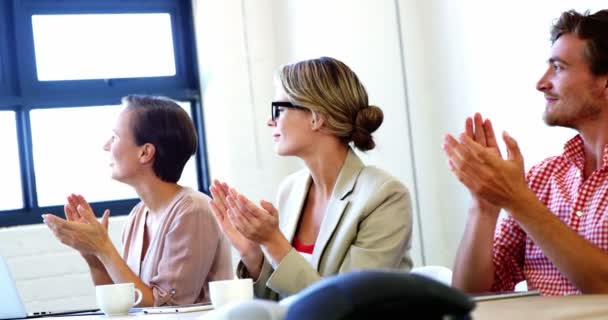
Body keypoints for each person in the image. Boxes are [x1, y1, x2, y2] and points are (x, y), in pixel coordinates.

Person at [209, 56, 413, 300]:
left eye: (280, 109)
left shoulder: (385, 196)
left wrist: (273, 242)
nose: (270, 120)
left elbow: (347, 307)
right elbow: (279, 303)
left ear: (317, 117)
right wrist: (252, 251)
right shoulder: (291, 189)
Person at [443, 9, 608, 295]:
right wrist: (485, 204)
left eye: (558, 67)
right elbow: (471, 295)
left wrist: (519, 201)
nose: (541, 83)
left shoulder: (524, 194)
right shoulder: (543, 177)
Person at [43, 95, 233, 306]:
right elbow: (122, 302)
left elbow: (167, 310)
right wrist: (92, 253)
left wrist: (104, 247)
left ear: (145, 152)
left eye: (114, 137)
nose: (106, 146)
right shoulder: (138, 214)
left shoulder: (193, 210)